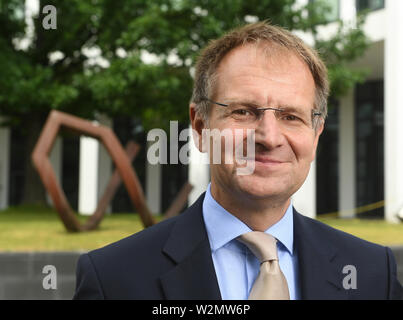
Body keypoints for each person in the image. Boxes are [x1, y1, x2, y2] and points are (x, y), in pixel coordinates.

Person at [73, 21, 403, 300]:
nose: (269, 137)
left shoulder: (374, 274)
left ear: (316, 134)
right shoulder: (112, 279)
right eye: (243, 111)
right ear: (200, 126)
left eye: (291, 116)